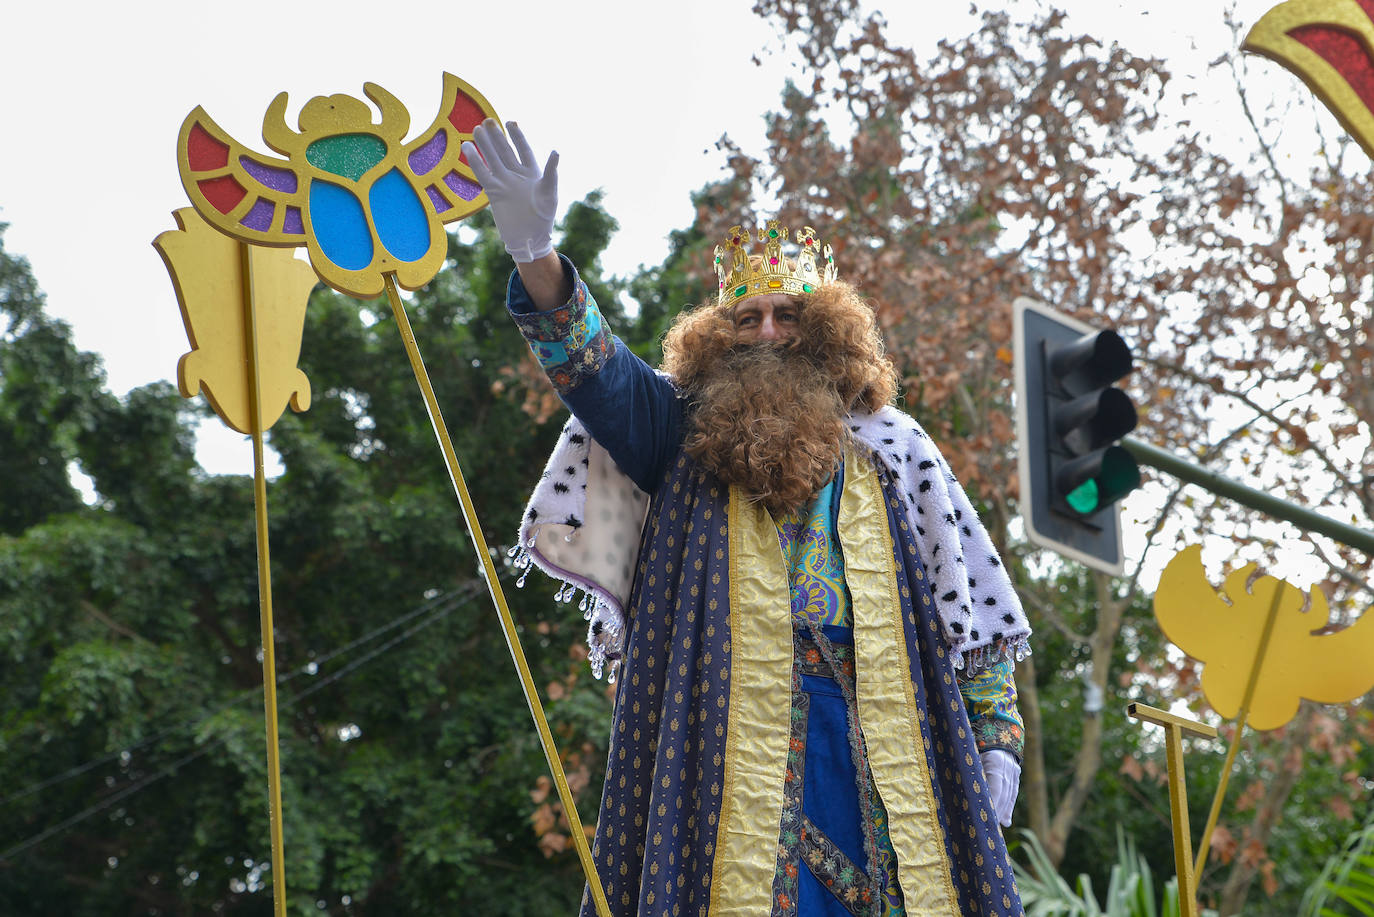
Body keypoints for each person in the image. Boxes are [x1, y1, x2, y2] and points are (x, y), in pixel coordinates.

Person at [465, 120, 1031, 917]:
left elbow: (966, 599)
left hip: (883, 733)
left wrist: (996, 736)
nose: (767, 333)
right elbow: (594, 373)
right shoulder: (675, 425)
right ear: (717, 336)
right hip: (717, 729)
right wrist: (536, 256)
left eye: (788, 315)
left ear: (826, 328)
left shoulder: (896, 446)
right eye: (747, 317)